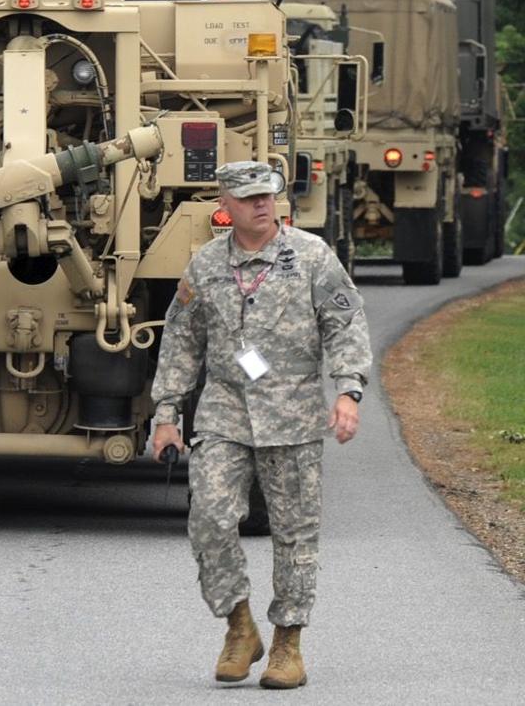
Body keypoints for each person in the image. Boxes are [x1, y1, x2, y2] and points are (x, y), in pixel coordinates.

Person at [150, 160, 371, 689]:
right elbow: (181, 342)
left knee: (295, 534)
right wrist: (165, 415)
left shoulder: (312, 257)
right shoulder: (204, 266)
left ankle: (288, 645)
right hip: (224, 410)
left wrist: (348, 392)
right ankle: (239, 626)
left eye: (267, 194)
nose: (261, 204)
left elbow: (345, 323)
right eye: (248, 197)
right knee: (209, 519)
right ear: (223, 205)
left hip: (292, 412)